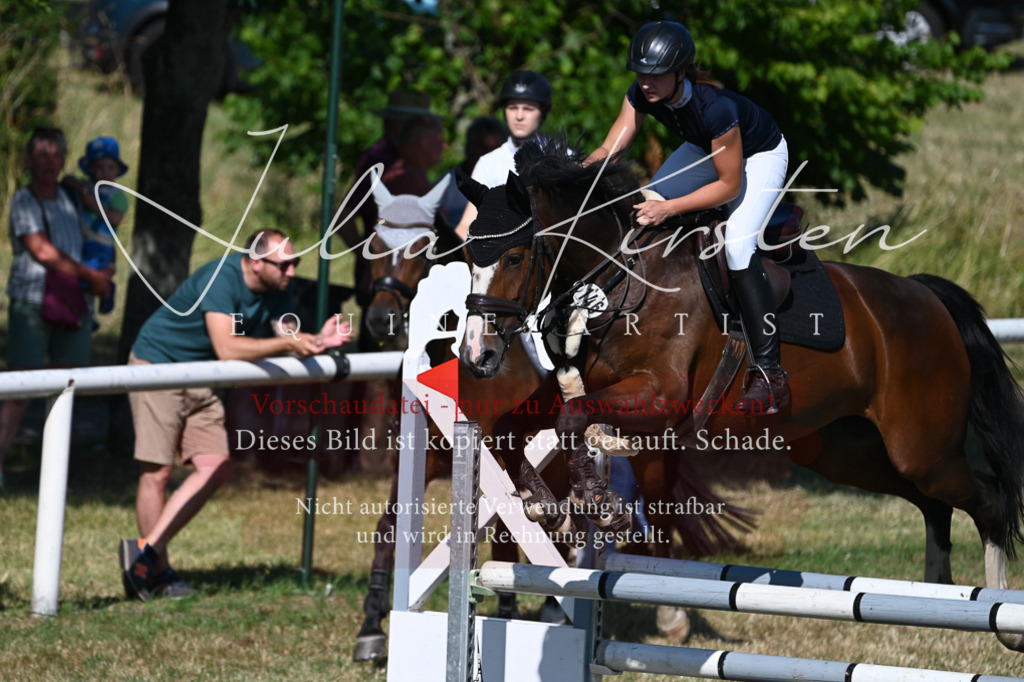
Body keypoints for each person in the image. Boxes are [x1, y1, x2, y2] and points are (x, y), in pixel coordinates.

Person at [120, 229, 353, 600]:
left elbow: (284, 330)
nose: (292, 271)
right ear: (256, 262)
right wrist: (290, 343)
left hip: (205, 376)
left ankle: (143, 558)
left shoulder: (279, 287)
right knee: (158, 471)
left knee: (217, 466)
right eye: (285, 265)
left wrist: (315, 341)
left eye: (296, 263)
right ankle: (157, 573)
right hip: (159, 365)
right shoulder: (221, 277)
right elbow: (227, 347)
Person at [586, 21, 791, 414]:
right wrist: (571, 175)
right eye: (641, 73)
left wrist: (671, 207)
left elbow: (729, 185)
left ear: (681, 73)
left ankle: (770, 375)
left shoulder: (716, 109)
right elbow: (609, 149)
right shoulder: (642, 94)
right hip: (704, 148)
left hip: (759, 154)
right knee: (646, 203)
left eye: (657, 74)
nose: (646, 83)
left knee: (736, 245)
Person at [0, 127, 113, 493]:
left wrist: (101, 273)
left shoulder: (69, 196)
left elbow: (103, 219)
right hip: (33, 302)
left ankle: (54, 472)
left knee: (67, 386)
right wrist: (90, 276)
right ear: (30, 160)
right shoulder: (23, 200)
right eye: (43, 155)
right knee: (20, 390)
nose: (49, 162)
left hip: (72, 304)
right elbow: (43, 252)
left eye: (56, 155)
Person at [453, 71, 552, 240]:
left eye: (528, 109)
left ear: (543, 112)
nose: (519, 116)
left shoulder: (562, 158)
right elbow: (466, 224)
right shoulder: (488, 163)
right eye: (513, 108)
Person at [63, 136, 130, 318]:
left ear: (117, 170)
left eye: (110, 168)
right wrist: (79, 186)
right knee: (79, 279)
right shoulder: (88, 186)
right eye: (100, 167)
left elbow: (115, 218)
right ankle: (81, 313)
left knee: (93, 278)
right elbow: (67, 179)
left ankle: (103, 298)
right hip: (82, 240)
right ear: (91, 168)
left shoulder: (117, 195)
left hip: (102, 245)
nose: (105, 173)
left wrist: (91, 202)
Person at [439, 116, 506, 226]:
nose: (489, 155)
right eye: (483, 147)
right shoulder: (444, 186)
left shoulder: (509, 184)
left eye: (494, 149)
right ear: (468, 148)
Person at [380, 114, 448, 197]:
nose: (444, 146)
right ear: (423, 143)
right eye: (440, 141)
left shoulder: (404, 175)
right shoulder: (409, 180)